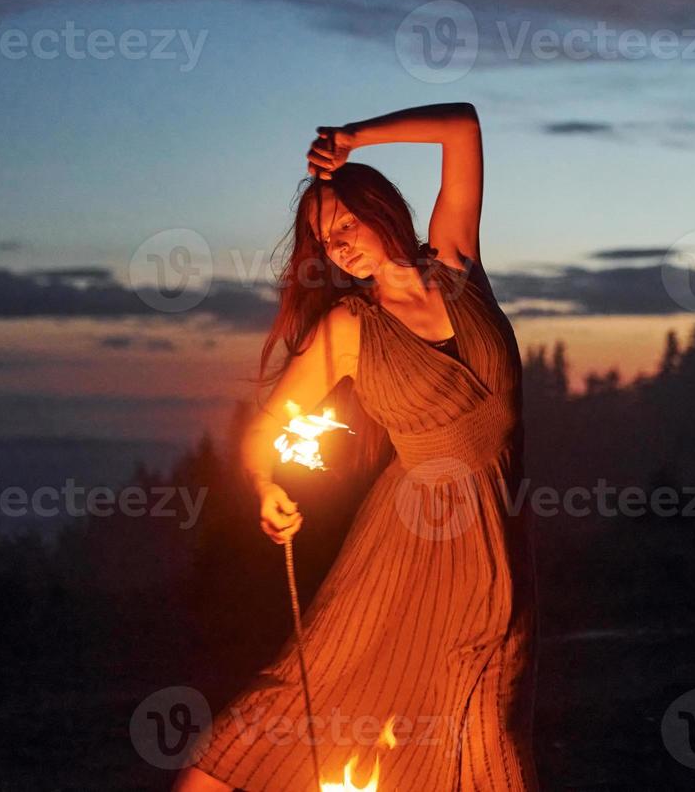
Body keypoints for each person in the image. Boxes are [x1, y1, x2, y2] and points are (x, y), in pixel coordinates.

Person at [173, 103, 540, 791]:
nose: (338, 244)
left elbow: (462, 125)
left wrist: (353, 139)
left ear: (381, 208)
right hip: (404, 555)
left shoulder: (458, 264)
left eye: (345, 222)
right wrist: (265, 486)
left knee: (488, 747)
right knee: (298, 706)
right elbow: (265, 428)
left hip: (498, 560)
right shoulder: (350, 328)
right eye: (325, 239)